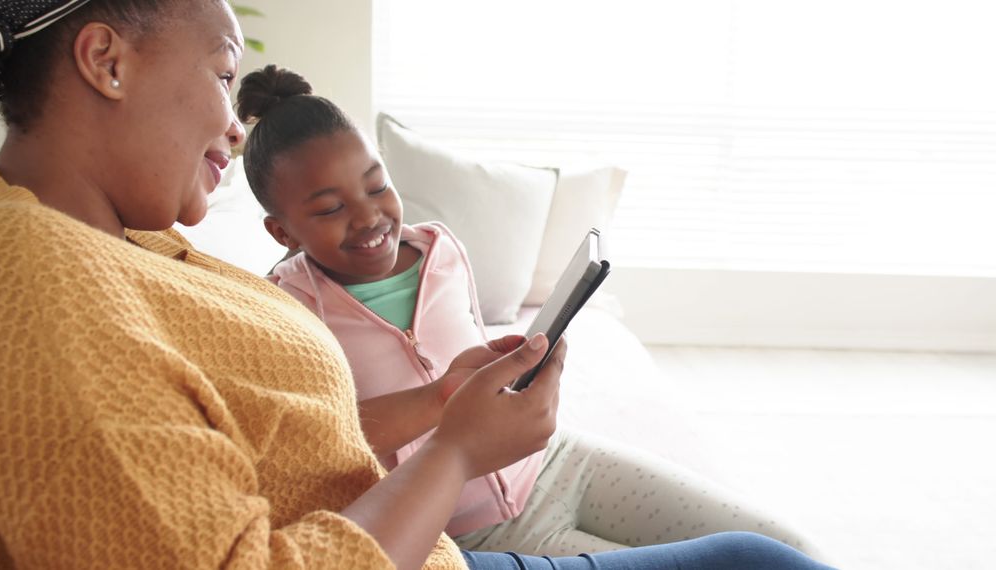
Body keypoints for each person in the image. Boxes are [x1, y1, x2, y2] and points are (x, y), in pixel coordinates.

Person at [0, 0, 834, 568]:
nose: (236, 130)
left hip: (418, 527)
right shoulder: (32, 289)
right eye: (222, 73)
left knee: (771, 551)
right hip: (426, 536)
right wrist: (452, 454)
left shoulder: (101, 240)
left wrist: (446, 406)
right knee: (768, 564)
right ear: (107, 61)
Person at [242, 65, 827, 560]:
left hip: (553, 460)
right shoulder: (284, 310)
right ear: (281, 231)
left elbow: (467, 344)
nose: (369, 217)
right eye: (329, 208)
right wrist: (442, 397)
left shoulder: (440, 248)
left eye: (376, 186)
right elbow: (319, 446)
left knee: (783, 547)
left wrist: (518, 363)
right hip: (468, 530)